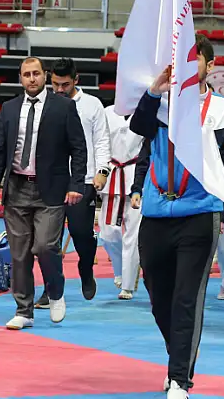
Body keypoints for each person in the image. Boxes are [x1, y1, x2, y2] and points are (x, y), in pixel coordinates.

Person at [129, 35, 224, 398]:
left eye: (194, 59)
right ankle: (179, 354)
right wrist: (153, 92)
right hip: (155, 210)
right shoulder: (162, 104)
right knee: (156, 293)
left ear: (210, 66)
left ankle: (180, 376)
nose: (186, 65)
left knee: (186, 298)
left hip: (200, 211)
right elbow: (138, 128)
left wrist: (202, 150)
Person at [0, 57, 87, 330]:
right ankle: (24, 310)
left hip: (51, 189)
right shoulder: (8, 109)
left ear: (45, 76)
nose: (32, 78)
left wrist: (77, 184)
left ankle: (55, 291)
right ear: (20, 78)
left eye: (36, 73)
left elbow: (79, 149)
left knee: (44, 246)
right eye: (26, 74)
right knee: (19, 254)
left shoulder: (64, 107)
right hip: (16, 187)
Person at [35, 58, 110, 308]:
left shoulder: (92, 105)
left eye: (64, 85)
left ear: (76, 80)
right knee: (48, 241)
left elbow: (101, 140)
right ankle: (51, 289)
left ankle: (86, 268)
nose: (59, 89)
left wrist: (102, 171)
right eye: (55, 84)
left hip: (84, 180)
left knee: (81, 235)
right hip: (51, 180)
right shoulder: (43, 104)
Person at [99, 104, 144, 300]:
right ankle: (119, 270)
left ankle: (127, 283)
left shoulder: (146, 112)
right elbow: (100, 145)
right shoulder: (107, 112)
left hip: (136, 174)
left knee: (133, 235)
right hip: (112, 174)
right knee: (108, 233)